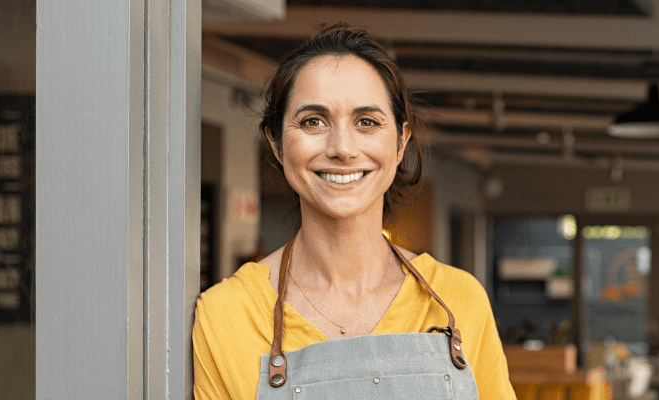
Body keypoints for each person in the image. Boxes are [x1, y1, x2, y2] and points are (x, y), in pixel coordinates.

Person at [192, 24, 515, 399]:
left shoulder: (459, 301)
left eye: (367, 122)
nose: (342, 148)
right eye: (314, 121)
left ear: (399, 143)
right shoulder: (228, 314)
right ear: (277, 144)